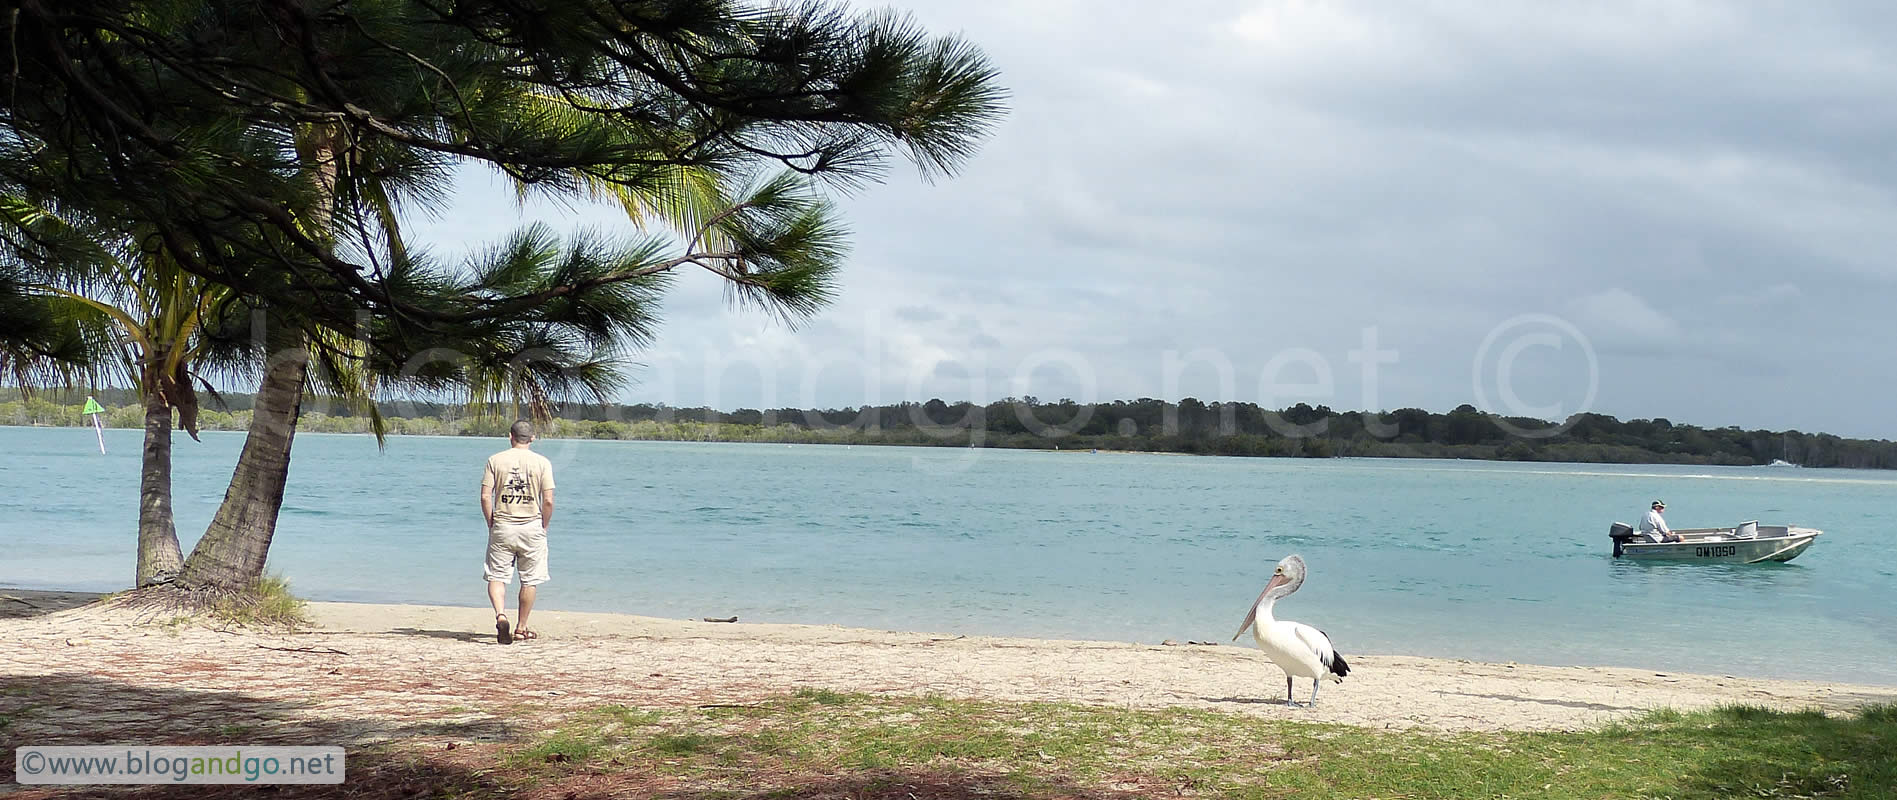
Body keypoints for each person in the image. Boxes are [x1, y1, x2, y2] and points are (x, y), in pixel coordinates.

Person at [480, 420, 555, 644]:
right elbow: (548, 500)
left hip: (503, 524)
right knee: (529, 579)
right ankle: (521, 627)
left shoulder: (495, 460)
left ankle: (501, 615)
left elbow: (485, 496)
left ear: (510, 436)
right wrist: (545, 524)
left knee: (497, 575)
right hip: (531, 525)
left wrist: (490, 521)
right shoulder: (542, 463)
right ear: (532, 438)